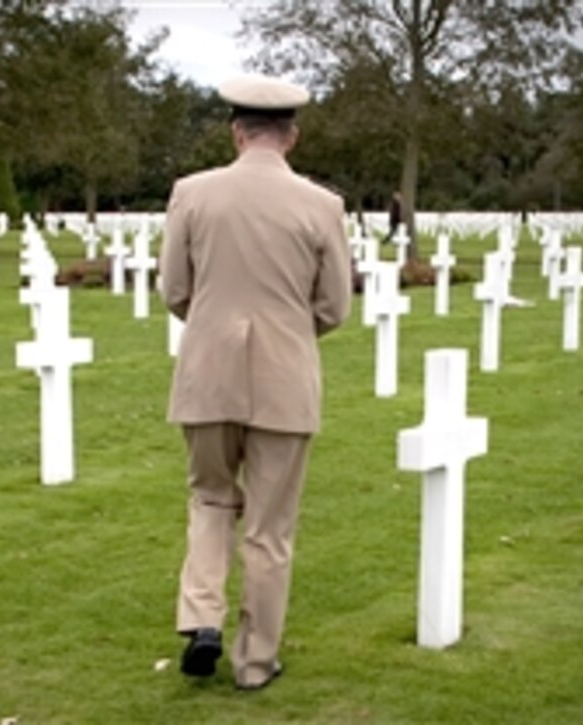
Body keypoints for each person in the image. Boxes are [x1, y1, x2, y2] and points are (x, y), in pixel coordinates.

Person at [159, 74, 352, 691]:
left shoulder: (191, 194)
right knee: (270, 527)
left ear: (236, 133)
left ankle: (202, 617)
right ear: (290, 137)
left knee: (211, 497)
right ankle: (254, 663)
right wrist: (286, 336)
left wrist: (218, 329)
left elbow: (175, 290)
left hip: (207, 374)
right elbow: (335, 306)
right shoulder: (322, 206)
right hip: (285, 380)